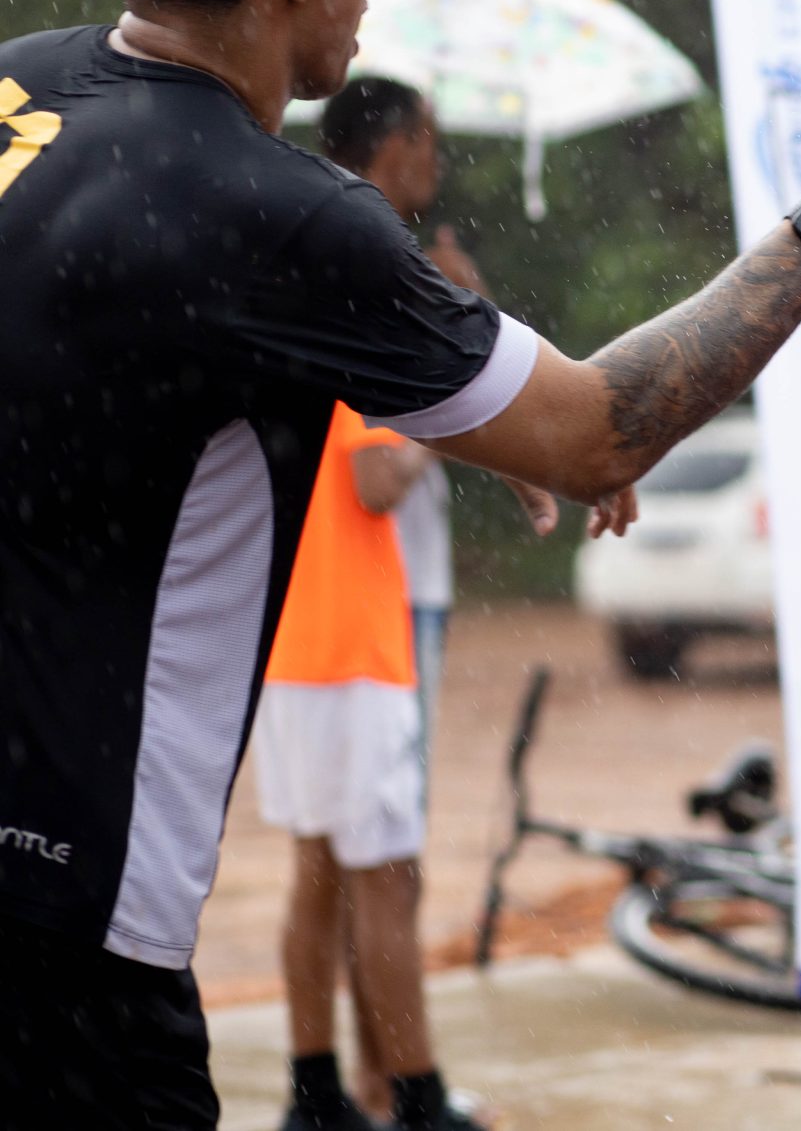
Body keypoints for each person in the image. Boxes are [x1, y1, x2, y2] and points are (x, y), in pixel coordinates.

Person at [0, 0, 801, 1129]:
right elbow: (598, 433)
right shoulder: (277, 213)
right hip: (65, 933)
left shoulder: (21, 88)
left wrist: (474, 422)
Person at [252, 403, 481, 1131]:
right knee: (388, 875)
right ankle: (418, 1101)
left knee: (316, 870)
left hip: (293, 639)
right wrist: (438, 431)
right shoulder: (359, 363)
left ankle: (315, 1095)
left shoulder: (289, 354)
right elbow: (377, 482)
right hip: (353, 650)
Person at [318, 78, 471, 773]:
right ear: (397, 146)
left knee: (354, 824)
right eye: (430, 139)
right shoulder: (366, 263)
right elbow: (377, 479)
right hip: (380, 598)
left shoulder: (324, 238)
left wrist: (453, 313)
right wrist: (458, 391)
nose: (439, 160)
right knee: (390, 819)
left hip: (355, 596)